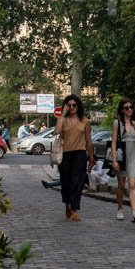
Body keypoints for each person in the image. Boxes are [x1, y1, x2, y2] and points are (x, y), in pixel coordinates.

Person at [54, 94, 93, 222]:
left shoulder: (85, 121)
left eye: (74, 105)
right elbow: (57, 131)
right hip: (65, 155)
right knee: (66, 183)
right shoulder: (63, 120)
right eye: (69, 105)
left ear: (78, 106)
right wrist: (62, 115)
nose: (71, 107)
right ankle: (67, 204)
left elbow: (89, 141)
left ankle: (75, 209)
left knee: (77, 182)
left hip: (80, 154)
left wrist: (91, 158)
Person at [112, 99, 135, 222]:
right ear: (122, 110)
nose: (129, 109)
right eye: (126, 108)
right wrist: (114, 160)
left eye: (131, 107)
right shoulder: (117, 123)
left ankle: (134, 211)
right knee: (121, 185)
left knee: (132, 184)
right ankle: (120, 209)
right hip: (122, 155)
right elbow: (114, 142)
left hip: (133, 154)